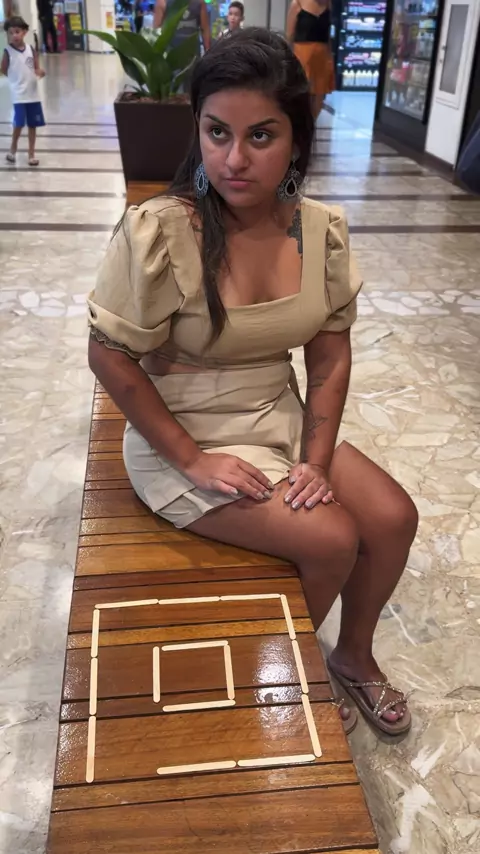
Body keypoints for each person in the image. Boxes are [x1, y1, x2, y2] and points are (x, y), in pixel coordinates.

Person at [87, 28, 418, 737]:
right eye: (217, 132)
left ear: (297, 140)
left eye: (261, 135)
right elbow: (108, 355)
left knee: (392, 518)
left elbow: (328, 360)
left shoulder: (320, 232)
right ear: (198, 131)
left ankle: (353, 654)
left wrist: (316, 462)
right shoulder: (160, 231)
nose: (234, 159)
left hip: (274, 414)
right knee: (331, 538)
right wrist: (192, 459)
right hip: (182, 434)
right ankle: (285, 668)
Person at [1, 16, 46, 167]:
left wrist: (40, 72)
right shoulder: (7, 51)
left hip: (33, 94)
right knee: (19, 124)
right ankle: (13, 149)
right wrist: (15, 80)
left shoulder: (31, 49)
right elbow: (3, 69)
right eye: (11, 33)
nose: (14, 35)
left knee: (32, 125)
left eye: (17, 32)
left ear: (24, 32)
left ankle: (31, 154)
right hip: (19, 95)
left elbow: (36, 68)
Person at [286, 0, 334, 120]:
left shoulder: (327, 3)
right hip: (302, 54)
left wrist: (330, 56)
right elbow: (289, 35)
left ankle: (312, 124)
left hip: (322, 55)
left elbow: (328, 35)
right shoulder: (297, 3)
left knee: (319, 94)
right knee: (302, 92)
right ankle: (301, 124)